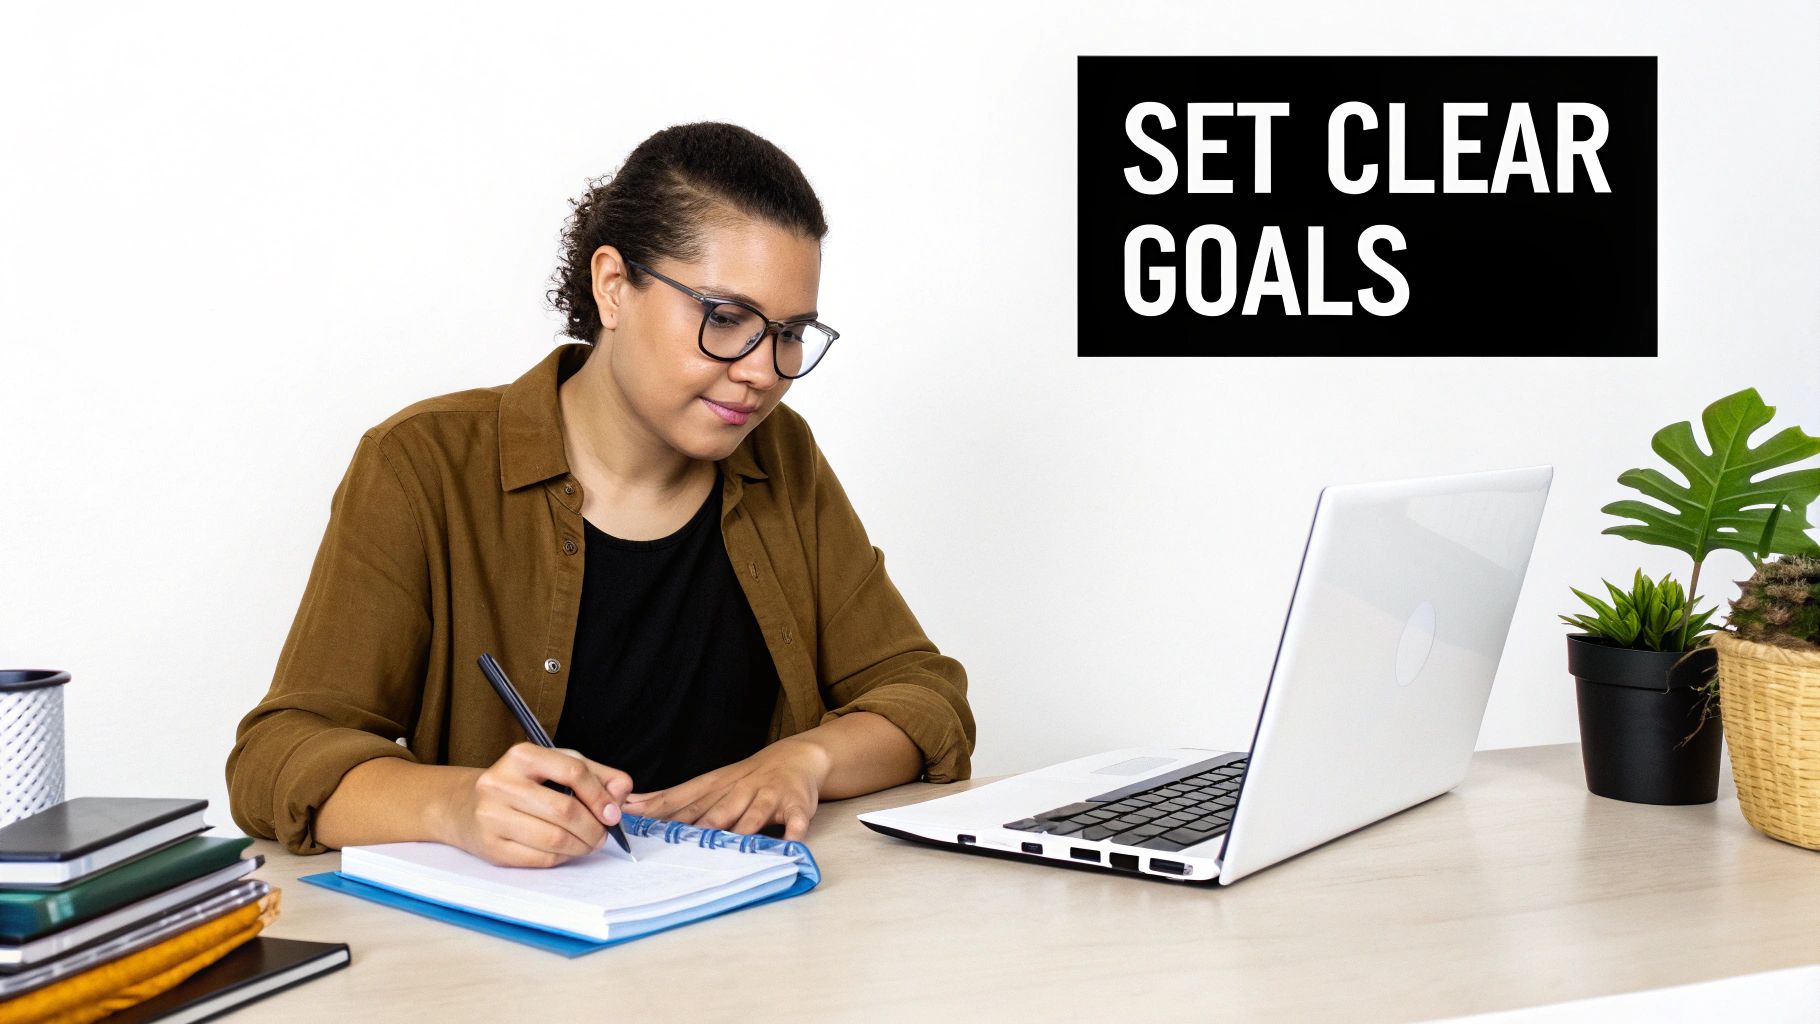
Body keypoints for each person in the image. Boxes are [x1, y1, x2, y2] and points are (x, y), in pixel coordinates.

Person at [225, 122, 976, 867]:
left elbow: (922, 698)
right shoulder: (423, 465)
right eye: (726, 319)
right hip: (517, 962)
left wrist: (804, 761)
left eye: (790, 332)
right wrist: (459, 806)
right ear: (613, 286)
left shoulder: (781, 456)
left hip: (754, 933)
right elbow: (280, 755)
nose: (764, 370)